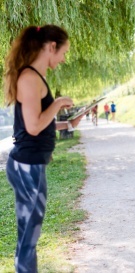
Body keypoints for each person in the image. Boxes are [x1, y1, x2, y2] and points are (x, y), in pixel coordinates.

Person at [3, 24, 84, 273]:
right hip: (27, 167)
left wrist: (67, 123)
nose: (63, 59)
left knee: (28, 235)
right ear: (51, 47)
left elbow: (38, 123)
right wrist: (58, 102)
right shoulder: (29, 78)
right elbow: (35, 126)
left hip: (31, 165)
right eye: (63, 52)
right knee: (29, 237)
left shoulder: (36, 78)